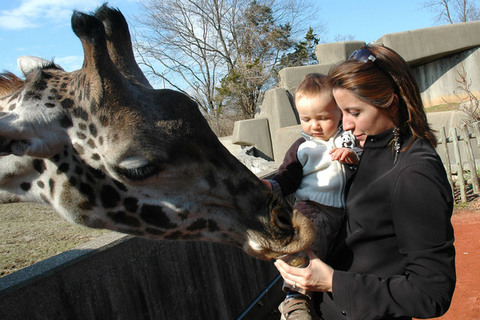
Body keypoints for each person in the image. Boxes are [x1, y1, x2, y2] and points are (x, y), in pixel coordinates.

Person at [274, 44, 456, 320]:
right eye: (341, 111)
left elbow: (431, 293)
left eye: (354, 112)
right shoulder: (371, 146)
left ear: (391, 103)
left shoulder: (415, 174)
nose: (345, 124)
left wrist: (334, 281)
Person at [262, 73, 362, 320]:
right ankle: (294, 300)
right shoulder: (302, 147)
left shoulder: (350, 139)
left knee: (330, 261)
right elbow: (288, 177)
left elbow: (366, 166)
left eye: (323, 118)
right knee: (305, 251)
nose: (314, 126)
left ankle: (320, 302)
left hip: (345, 214)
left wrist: (353, 158)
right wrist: (270, 186)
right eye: (306, 119)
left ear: (339, 113)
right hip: (312, 207)